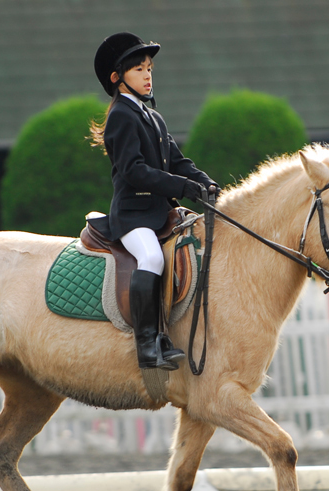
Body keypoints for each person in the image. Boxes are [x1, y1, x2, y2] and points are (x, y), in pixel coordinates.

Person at [91, 32, 218, 371]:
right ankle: (147, 344)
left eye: (149, 69)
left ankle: (164, 334)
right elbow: (134, 171)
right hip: (133, 216)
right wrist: (181, 186)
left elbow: (177, 161)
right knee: (151, 257)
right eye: (139, 70)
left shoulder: (152, 117)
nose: (148, 76)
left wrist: (204, 182)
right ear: (118, 78)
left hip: (159, 213)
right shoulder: (121, 115)